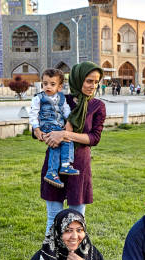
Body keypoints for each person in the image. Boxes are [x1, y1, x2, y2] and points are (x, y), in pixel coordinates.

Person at [33, 62, 105, 234]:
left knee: (76, 219)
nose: (92, 86)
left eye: (96, 82)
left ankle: (75, 258)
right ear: (78, 79)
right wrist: (38, 131)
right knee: (53, 218)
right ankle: (51, 258)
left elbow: (94, 138)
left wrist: (64, 134)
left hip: (78, 166)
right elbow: (42, 119)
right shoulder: (59, 99)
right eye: (89, 81)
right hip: (54, 165)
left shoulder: (97, 106)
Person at [29, 68, 76, 189]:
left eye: (52, 84)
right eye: (45, 84)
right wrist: (36, 128)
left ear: (60, 87)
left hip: (59, 126)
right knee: (59, 142)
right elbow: (33, 114)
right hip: (47, 125)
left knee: (66, 140)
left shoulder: (62, 97)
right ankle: (56, 169)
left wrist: (69, 120)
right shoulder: (38, 98)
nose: (48, 87)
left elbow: (66, 110)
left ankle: (60, 167)